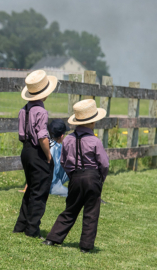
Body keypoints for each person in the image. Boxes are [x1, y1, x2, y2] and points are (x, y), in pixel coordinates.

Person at [42, 99, 110, 253]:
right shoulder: (95, 141)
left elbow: (63, 161)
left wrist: (72, 175)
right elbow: (104, 164)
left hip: (75, 177)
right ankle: (86, 246)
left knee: (70, 209)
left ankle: (52, 238)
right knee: (91, 212)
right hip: (93, 178)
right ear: (92, 123)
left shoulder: (68, 140)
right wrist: (101, 178)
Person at [13, 70, 58, 238]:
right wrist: (48, 156)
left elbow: (21, 134)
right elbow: (42, 136)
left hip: (25, 151)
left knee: (31, 188)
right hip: (37, 152)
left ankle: (21, 225)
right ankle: (32, 230)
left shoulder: (23, 110)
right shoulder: (41, 112)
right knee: (40, 192)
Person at [48, 119, 70, 197]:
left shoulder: (57, 145)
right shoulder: (51, 149)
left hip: (56, 176)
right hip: (51, 184)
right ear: (61, 136)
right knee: (72, 194)